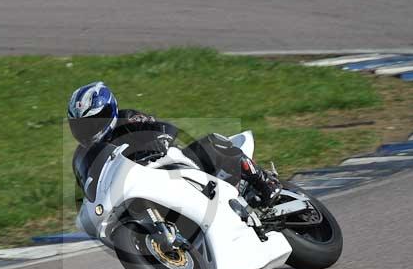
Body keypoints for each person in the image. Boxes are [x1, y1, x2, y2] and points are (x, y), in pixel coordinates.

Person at [67, 81, 282, 208]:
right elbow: (87, 190)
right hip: (138, 190)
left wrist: (161, 141)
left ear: (109, 112)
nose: (88, 130)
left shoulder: (129, 119)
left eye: (94, 121)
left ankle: (264, 181)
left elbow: (163, 127)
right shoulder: (83, 154)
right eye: (80, 125)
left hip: (168, 164)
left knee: (212, 142)